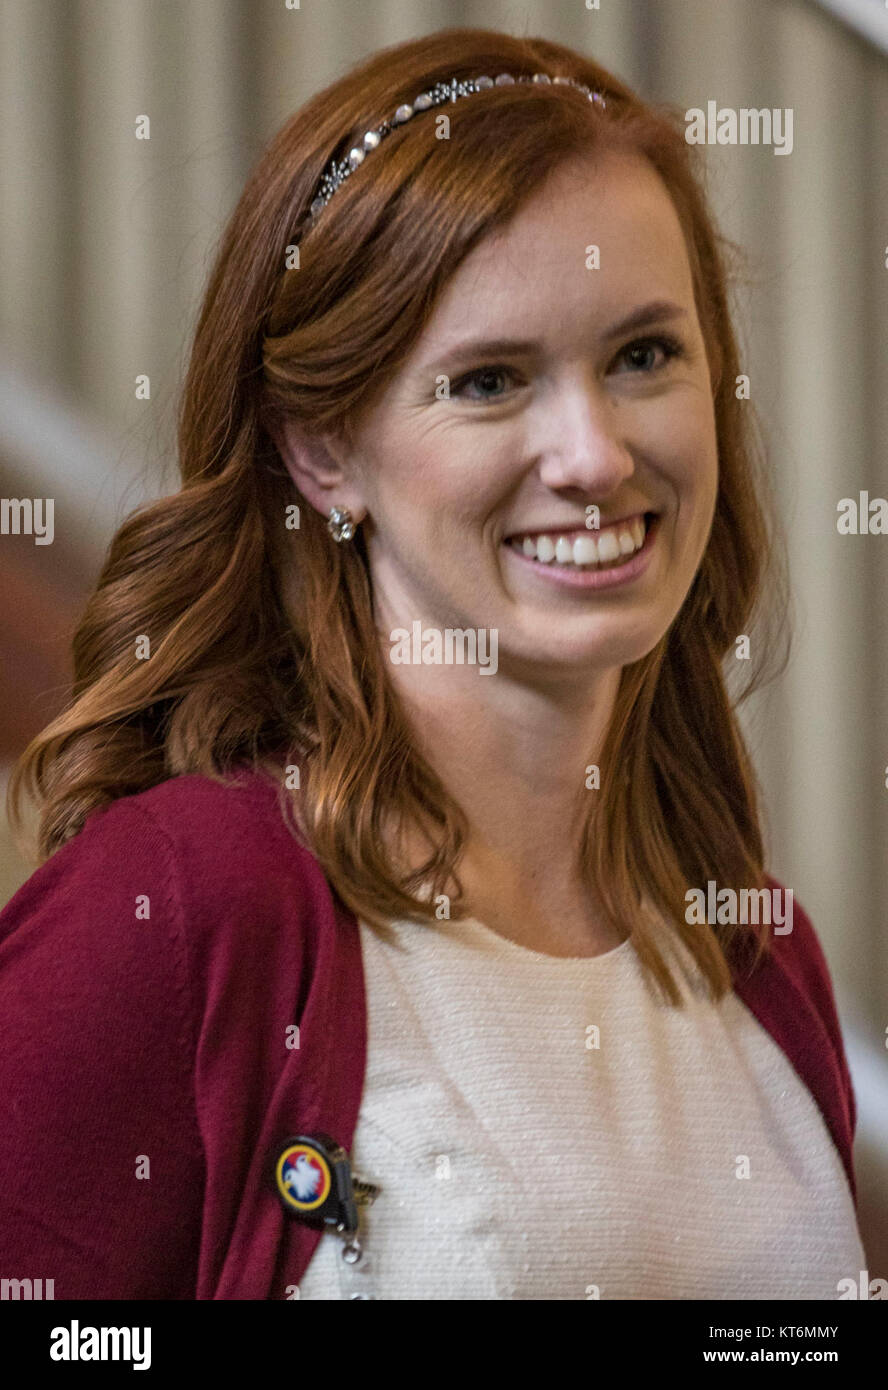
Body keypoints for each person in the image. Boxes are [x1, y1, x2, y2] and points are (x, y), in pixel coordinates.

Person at [0, 26, 866, 1300]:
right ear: (323, 455)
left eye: (643, 356)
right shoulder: (182, 911)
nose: (593, 454)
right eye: (491, 380)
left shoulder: (762, 955)